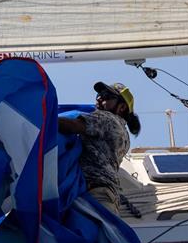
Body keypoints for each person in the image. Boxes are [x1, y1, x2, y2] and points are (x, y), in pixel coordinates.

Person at [58, 81, 141, 214]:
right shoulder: (125, 135)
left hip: (93, 191)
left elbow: (73, 126)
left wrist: (43, 118)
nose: (99, 98)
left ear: (122, 108)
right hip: (107, 193)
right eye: (99, 94)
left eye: (107, 96)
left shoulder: (107, 118)